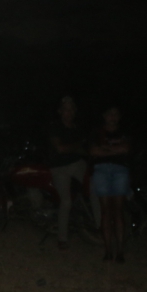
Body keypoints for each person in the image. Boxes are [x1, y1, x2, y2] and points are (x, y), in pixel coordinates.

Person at [46, 96, 97, 249]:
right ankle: (62, 238)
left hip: (77, 163)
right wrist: (77, 146)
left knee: (95, 187)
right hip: (59, 167)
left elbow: (82, 150)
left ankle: (101, 226)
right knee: (66, 200)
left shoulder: (77, 129)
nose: (69, 113)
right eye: (66, 110)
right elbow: (60, 148)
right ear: (60, 111)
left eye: (72, 109)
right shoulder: (55, 127)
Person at [90, 105, 131, 263]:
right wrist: (115, 149)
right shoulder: (97, 132)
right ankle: (108, 251)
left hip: (120, 170)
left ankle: (120, 251)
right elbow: (93, 151)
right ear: (104, 116)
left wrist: (105, 149)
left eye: (115, 114)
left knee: (118, 210)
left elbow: (126, 148)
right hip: (101, 170)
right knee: (105, 211)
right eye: (110, 114)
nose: (112, 117)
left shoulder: (124, 132)